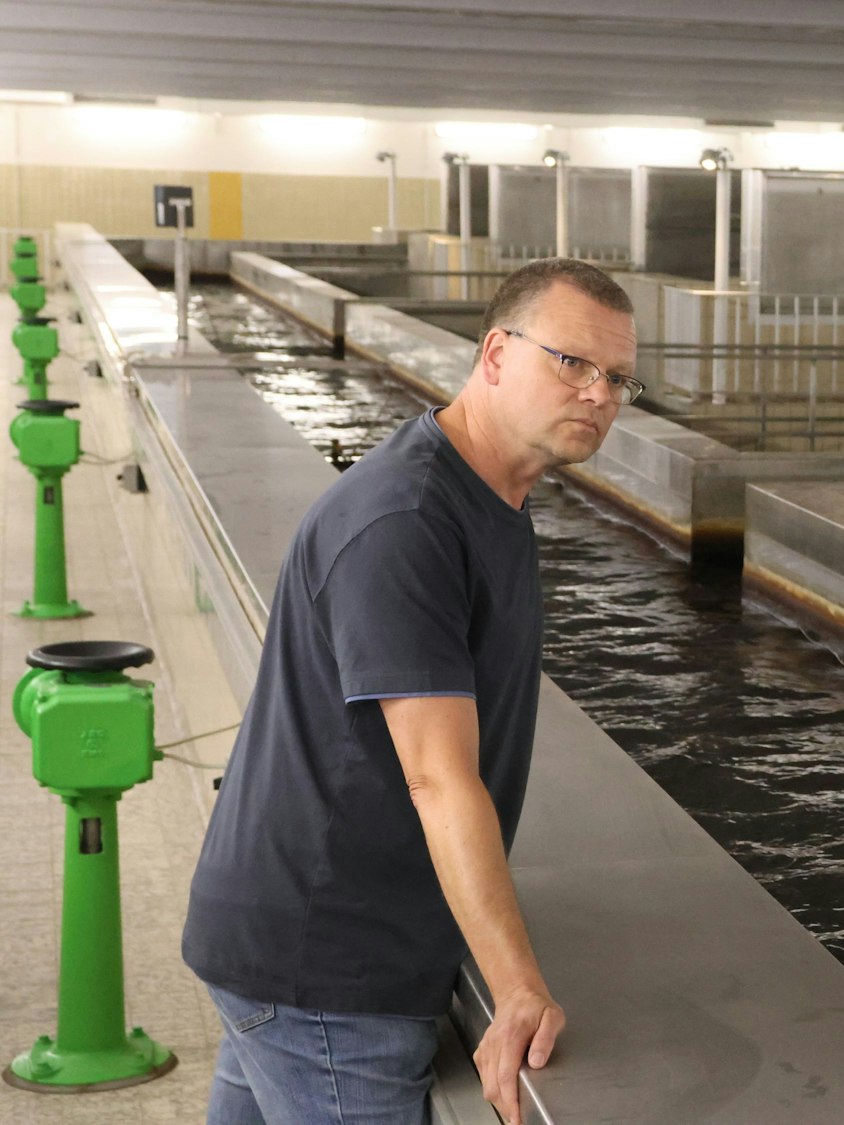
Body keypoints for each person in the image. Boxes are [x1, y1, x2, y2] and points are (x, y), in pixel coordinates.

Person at [182, 258, 641, 1125]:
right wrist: (516, 985)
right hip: (328, 974)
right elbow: (438, 776)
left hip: (282, 936)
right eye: (571, 362)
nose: (599, 394)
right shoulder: (409, 522)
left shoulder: (489, 493)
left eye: (617, 377)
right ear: (497, 354)